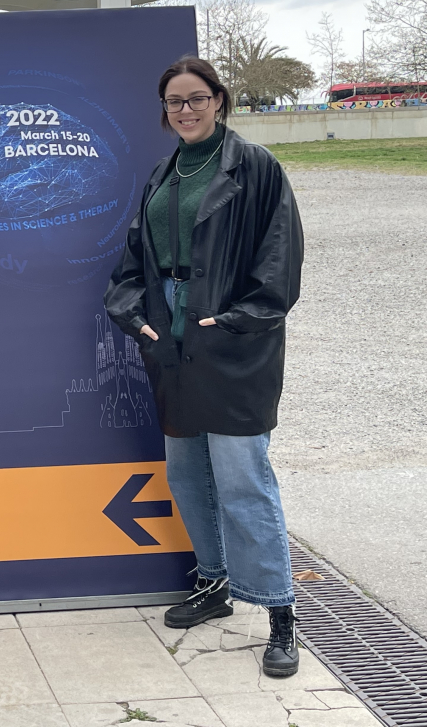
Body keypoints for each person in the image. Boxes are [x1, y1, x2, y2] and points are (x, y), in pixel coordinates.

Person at [103, 56, 304, 678]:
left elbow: (280, 255)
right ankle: (213, 583)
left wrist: (238, 319)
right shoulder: (162, 175)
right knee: (188, 472)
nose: (184, 110)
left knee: (244, 476)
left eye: (195, 98)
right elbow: (134, 263)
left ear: (220, 100)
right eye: (173, 102)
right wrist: (136, 319)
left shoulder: (255, 168)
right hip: (172, 341)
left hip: (233, 341)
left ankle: (279, 613)